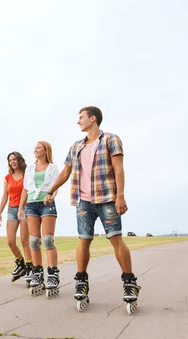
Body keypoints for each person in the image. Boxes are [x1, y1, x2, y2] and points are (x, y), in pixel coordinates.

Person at [44, 106, 140, 304]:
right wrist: (52, 190)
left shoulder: (111, 140)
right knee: (84, 240)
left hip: (107, 198)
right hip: (83, 201)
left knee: (115, 239)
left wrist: (120, 196)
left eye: (81, 117)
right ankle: (81, 281)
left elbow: (119, 169)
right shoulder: (76, 146)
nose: (78, 121)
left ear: (93, 119)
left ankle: (129, 282)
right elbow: (65, 172)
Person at [18, 141, 60, 293]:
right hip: (31, 205)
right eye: (34, 147)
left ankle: (53, 274)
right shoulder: (29, 169)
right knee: (34, 241)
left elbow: (56, 185)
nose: (35, 149)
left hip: (46, 204)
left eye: (38, 147)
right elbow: (25, 189)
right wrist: (21, 207)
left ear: (45, 150)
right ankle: (37, 273)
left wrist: (51, 196)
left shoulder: (53, 167)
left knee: (48, 239)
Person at [0, 152, 33, 283]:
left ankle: (30, 267)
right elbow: (5, 196)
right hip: (12, 210)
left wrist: (22, 208)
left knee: (24, 240)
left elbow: (29, 191)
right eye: (10, 160)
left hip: (25, 208)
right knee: (10, 241)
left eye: (14, 159)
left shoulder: (27, 175)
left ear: (19, 160)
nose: (12, 162)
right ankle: (20, 263)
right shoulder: (7, 178)